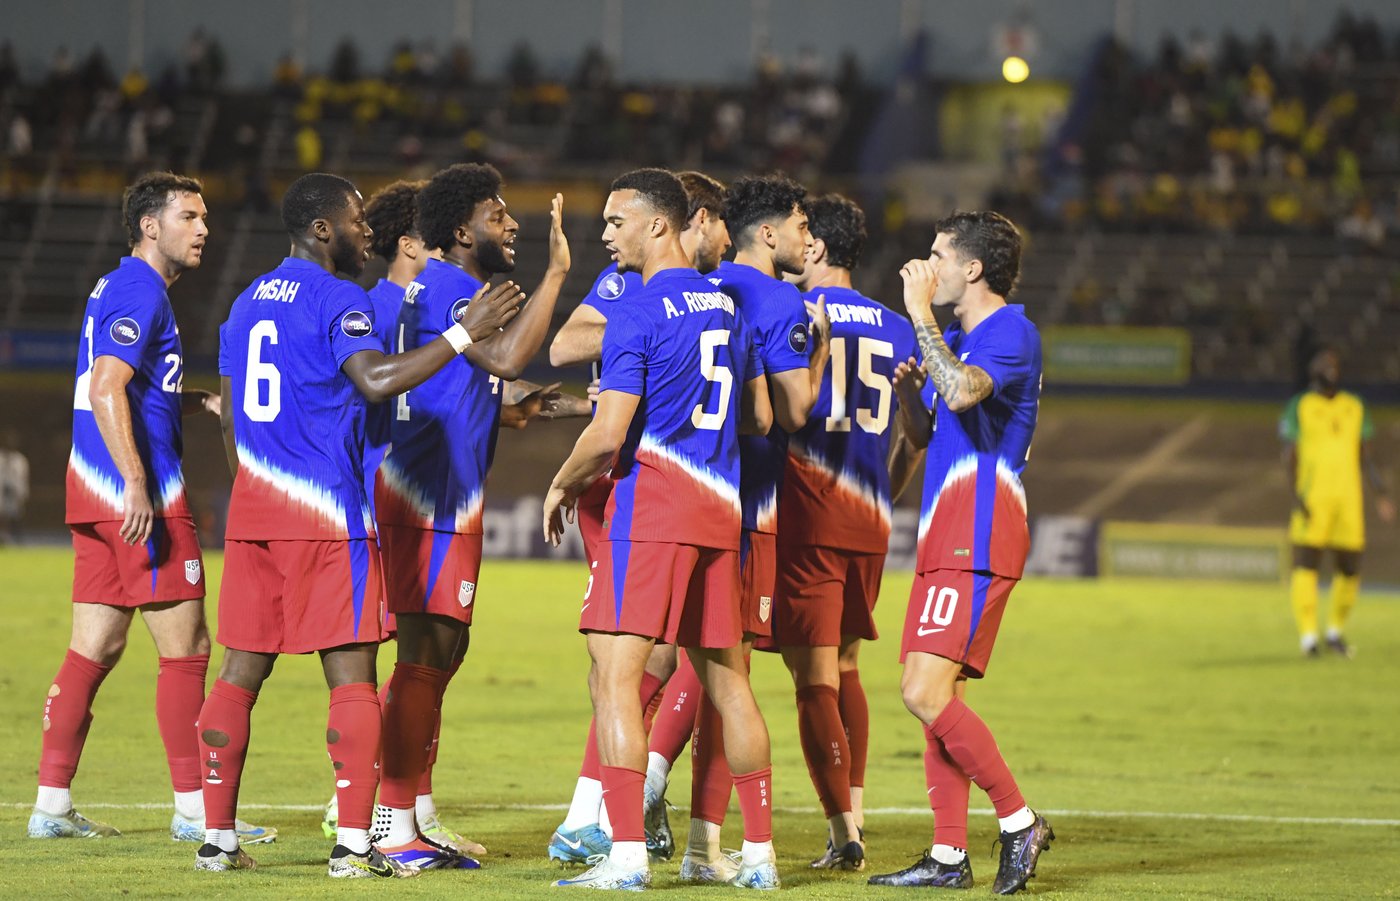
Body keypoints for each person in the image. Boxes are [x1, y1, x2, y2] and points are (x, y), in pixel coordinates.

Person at [195, 172, 523, 877]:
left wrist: (253, 482)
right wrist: (465, 333)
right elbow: (375, 379)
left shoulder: (246, 301)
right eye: (356, 223)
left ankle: (216, 837)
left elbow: (229, 413)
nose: (367, 233)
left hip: (255, 511)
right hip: (326, 516)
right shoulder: (339, 297)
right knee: (352, 677)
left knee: (238, 673)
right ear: (322, 230)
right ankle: (352, 843)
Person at [542, 168, 777, 890]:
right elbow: (758, 418)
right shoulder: (726, 308)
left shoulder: (637, 312)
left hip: (651, 512)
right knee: (728, 681)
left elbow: (609, 433)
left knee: (613, 676)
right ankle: (761, 860)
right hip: (719, 509)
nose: (604, 234)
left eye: (616, 221)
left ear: (659, 225)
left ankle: (625, 857)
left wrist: (560, 481)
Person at [31, 172, 274, 847]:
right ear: (149, 225)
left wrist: (191, 401)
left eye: (204, 217)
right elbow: (109, 385)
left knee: (95, 646)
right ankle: (195, 807)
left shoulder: (114, 285)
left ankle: (51, 801)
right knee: (189, 649)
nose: (204, 228)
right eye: (189, 216)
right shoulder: (142, 290)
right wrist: (137, 480)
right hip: (140, 501)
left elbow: (126, 384)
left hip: (92, 494)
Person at [371, 163, 570, 870]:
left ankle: (411, 813)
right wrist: (555, 276)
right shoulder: (454, 287)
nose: (510, 223)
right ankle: (390, 824)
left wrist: (525, 412)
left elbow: (478, 381)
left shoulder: (440, 288)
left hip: (437, 493)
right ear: (462, 231)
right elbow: (510, 356)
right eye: (496, 214)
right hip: (427, 500)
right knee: (426, 657)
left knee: (440, 655)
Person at [868, 210, 1053, 894]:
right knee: (931, 692)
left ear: (972, 268)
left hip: (980, 528)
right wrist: (908, 396)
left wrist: (917, 313)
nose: (928, 265)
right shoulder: (957, 336)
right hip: (947, 528)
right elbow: (928, 426)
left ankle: (1018, 820)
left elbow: (965, 389)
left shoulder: (1010, 331)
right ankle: (948, 855)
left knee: (923, 690)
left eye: (938, 255)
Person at [650, 173, 828, 878]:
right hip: (748, 507)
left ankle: (700, 845)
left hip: (681, 490)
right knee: (729, 673)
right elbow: (789, 412)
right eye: (799, 225)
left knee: (685, 659)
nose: (806, 239)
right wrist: (814, 349)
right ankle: (697, 811)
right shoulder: (781, 299)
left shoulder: (705, 284)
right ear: (768, 233)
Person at [774, 194, 917, 870]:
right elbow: (916, 433)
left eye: (802, 236)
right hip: (872, 516)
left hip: (808, 511)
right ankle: (854, 809)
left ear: (820, 248)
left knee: (812, 678)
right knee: (850, 664)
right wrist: (884, 492)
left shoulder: (802, 313)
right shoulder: (897, 326)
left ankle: (842, 834)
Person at [1281, 346, 1394, 658]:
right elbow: (1288, 457)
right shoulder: (1300, 406)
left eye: (1335, 363)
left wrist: (1381, 494)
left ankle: (1334, 631)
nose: (1331, 366)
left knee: (1349, 568)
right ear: (1312, 369)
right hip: (1313, 499)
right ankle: (1308, 637)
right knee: (1306, 564)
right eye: (1324, 362)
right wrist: (1295, 498)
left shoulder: (1354, 407)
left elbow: (1365, 454)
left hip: (1348, 500)